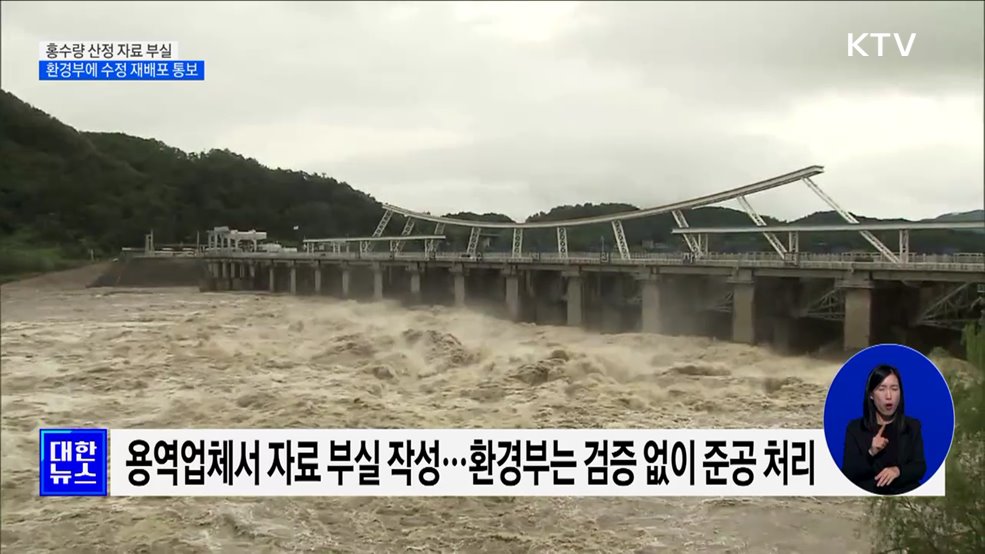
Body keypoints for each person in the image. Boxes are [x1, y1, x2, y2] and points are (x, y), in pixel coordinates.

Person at [841, 364, 926, 495]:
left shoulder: (912, 426)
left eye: (894, 389)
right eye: (881, 389)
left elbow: (919, 466)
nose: (888, 395)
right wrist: (871, 452)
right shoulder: (855, 428)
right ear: (871, 395)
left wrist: (898, 471)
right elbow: (848, 473)